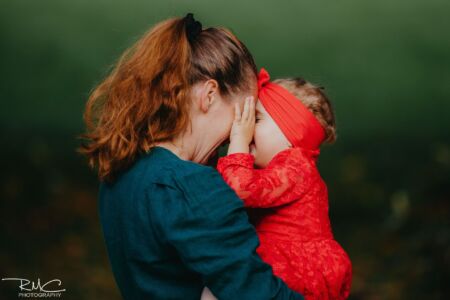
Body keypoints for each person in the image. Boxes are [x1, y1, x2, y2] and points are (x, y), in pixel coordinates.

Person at [79, 14, 303, 300]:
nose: (241, 138)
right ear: (209, 94)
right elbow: (258, 293)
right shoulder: (192, 188)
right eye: (243, 117)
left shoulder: (121, 172)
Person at [214, 68, 352, 299]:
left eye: (256, 119)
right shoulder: (282, 168)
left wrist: (238, 140)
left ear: (292, 133)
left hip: (295, 270)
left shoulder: (296, 166)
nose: (246, 128)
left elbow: (239, 189)